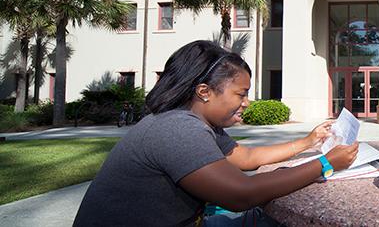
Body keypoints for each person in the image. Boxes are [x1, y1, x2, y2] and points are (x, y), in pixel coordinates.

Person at [73, 40, 359, 226]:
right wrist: (325, 164)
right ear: (204, 92)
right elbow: (241, 194)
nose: (247, 102)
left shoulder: (197, 122)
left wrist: (308, 142)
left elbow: (245, 156)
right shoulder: (176, 129)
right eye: (241, 94)